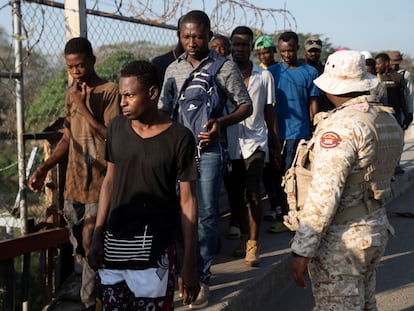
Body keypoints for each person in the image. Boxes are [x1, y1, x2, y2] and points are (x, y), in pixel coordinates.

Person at [290, 50, 403, 310]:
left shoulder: (340, 127)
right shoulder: (384, 117)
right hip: (373, 226)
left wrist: (302, 249)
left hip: (343, 239)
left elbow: (324, 195)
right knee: (365, 303)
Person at [87, 60, 200, 310]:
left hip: (154, 251)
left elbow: (188, 201)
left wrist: (190, 261)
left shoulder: (180, 138)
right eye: (121, 96)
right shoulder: (116, 128)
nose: (122, 102)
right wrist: (97, 235)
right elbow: (109, 182)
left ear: (152, 93)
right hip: (114, 248)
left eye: (129, 95)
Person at [158, 10, 252, 308]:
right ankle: (181, 270)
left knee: (207, 214)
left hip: (209, 152)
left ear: (209, 35)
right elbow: (164, 109)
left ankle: (203, 277)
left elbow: (245, 106)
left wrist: (220, 124)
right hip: (177, 154)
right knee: (178, 212)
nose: (191, 42)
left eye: (197, 36)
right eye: (186, 36)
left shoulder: (224, 66)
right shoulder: (173, 69)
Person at [28, 37, 120, 311]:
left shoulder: (110, 91)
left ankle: (89, 302)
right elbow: (67, 138)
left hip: (100, 181)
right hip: (74, 183)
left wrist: (82, 105)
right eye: (71, 68)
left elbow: (111, 137)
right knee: (78, 243)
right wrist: (45, 167)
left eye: (81, 65)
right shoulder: (71, 93)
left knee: (92, 238)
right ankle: (98, 286)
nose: (76, 71)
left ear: (92, 60)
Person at [225, 26, 279, 266]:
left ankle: (254, 243)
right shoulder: (222, 73)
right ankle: (244, 234)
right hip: (229, 140)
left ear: (251, 48)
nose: (240, 49)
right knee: (235, 194)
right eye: (236, 44)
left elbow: (269, 111)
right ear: (230, 46)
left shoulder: (263, 76)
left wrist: (274, 141)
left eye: (245, 44)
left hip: (255, 141)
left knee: (253, 192)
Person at [267, 31, 319, 232]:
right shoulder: (272, 72)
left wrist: (313, 128)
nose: (287, 55)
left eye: (290, 50)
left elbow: (313, 102)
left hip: (299, 132)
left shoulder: (309, 72)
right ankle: (284, 214)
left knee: (296, 176)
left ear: (297, 49)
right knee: (278, 176)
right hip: (276, 132)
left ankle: (295, 215)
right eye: (283, 51)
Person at [375, 52, 410, 175]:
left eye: (379, 63)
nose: (377, 66)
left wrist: (407, 114)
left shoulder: (398, 77)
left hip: (396, 113)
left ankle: (396, 165)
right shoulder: (374, 78)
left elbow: (403, 98)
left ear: (386, 63)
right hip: (381, 114)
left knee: (398, 140)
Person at [151, 17, 185, 84]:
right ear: (179, 34)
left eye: (198, 37)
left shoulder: (204, 65)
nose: (192, 42)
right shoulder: (159, 64)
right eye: (186, 36)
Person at [388, 50, 414, 127]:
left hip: (400, 110)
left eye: (397, 64)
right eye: (392, 64)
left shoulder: (405, 74)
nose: (394, 66)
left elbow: (409, 94)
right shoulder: (384, 74)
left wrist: (409, 112)